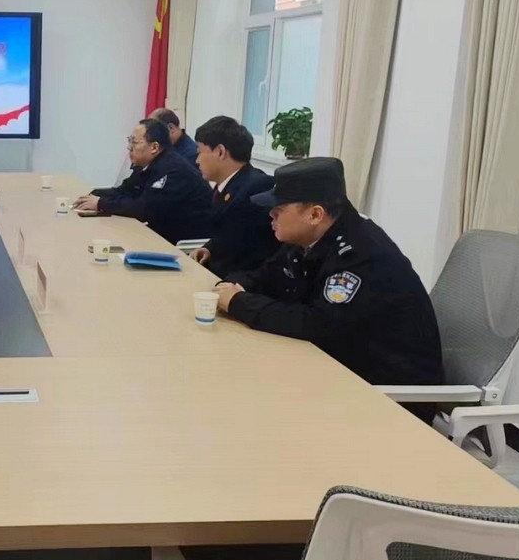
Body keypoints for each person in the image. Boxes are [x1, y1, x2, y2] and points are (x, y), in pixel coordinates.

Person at [214, 157, 444, 389]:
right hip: (338, 367)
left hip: (386, 390)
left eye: (279, 209)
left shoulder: (360, 255)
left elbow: (317, 325)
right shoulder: (308, 238)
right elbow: (267, 275)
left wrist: (238, 302)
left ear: (315, 215)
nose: (271, 214)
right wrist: (232, 286)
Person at [74, 119, 213, 244]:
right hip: (160, 234)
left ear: (154, 147)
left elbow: (145, 208)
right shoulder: (147, 165)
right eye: (129, 141)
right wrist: (93, 195)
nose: (129, 148)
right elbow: (125, 190)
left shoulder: (172, 169)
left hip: (185, 244)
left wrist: (100, 203)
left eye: (134, 142)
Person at [189, 116, 279, 277]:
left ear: (220, 152)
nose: (197, 160)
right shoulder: (227, 185)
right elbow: (225, 236)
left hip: (239, 281)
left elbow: (254, 254)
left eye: (200, 152)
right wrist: (208, 249)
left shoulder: (256, 188)